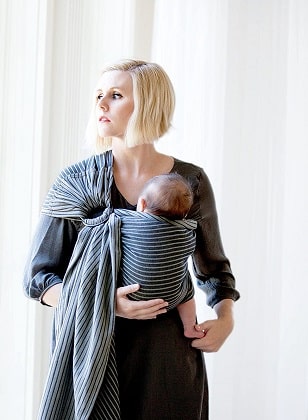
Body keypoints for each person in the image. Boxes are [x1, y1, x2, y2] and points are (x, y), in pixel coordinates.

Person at [23, 59, 240, 420]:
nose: (101, 105)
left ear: (148, 103)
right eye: (98, 96)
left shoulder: (191, 181)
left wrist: (226, 319)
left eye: (116, 95)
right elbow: (38, 278)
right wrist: (104, 303)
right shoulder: (76, 182)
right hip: (92, 348)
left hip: (168, 358)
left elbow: (214, 270)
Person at [127, 172, 204, 339]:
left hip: (131, 292)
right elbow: (190, 249)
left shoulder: (130, 223)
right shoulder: (187, 233)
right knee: (186, 284)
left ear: (142, 204)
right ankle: (190, 327)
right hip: (171, 298)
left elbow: (111, 222)